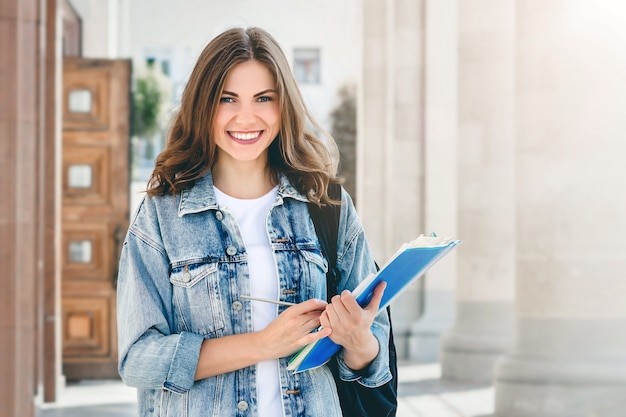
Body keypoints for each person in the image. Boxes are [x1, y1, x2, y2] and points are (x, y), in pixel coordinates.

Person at [116, 26, 392, 417]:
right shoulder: (163, 214)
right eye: (227, 99)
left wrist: (359, 340)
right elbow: (138, 358)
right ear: (203, 106)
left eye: (264, 98)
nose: (246, 116)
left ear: (284, 106)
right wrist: (262, 345)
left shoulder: (327, 205)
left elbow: (372, 358)